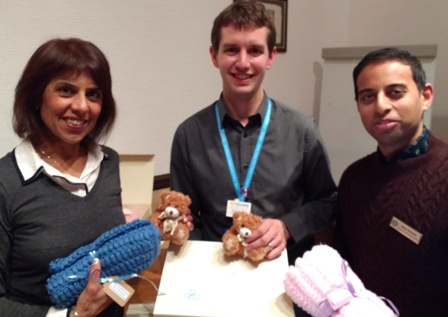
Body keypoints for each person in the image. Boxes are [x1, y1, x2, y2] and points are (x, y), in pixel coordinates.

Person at [170, 0, 337, 266]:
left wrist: (287, 226)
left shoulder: (303, 131)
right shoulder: (189, 135)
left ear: (270, 57)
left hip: (284, 276)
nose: (243, 62)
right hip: (214, 273)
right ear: (215, 56)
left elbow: (327, 203)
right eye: (232, 50)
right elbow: (187, 216)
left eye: (255, 50)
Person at [0, 38, 126, 317]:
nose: (82, 106)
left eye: (93, 94)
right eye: (66, 90)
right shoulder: (6, 184)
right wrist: (71, 316)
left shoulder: (108, 163)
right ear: (36, 96)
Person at [334, 47, 448, 316]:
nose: (381, 106)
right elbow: (343, 265)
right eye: (368, 96)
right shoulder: (354, 178)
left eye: (395, 93)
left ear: (425, 96)